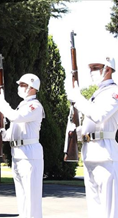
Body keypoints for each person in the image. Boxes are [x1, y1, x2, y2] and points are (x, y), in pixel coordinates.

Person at [66, 57, 118, 218]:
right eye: (90, 68)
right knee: (94, 209)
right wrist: (77, 131)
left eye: (96, 67)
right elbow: (91, 125)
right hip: (90, 154)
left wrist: (78, 98)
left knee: (108, 210)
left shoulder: (113, 92)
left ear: (108, 69)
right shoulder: (97, 94)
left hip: (105, 154)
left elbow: (99, 115)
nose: (92, 71)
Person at [0, 73, 44, 218]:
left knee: (31, 198)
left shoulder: (34, 106)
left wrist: (2, 103)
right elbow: (14, 132)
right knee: (22, 198)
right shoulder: (22, 106)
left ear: (31, 87)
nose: (19, 87)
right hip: (18, 153)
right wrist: (2, 134)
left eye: (22, 85)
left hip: (30, 155)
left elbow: (16, 117)